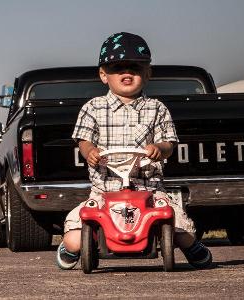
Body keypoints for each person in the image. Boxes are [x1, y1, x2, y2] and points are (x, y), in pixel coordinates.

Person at [56, 32, 212, 270]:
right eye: (118, 68)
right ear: (103, 75)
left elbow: (168, 143)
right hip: (105, 191)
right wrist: (90, 151)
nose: (126, 73)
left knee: (182, 231)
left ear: (147, 74)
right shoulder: (93, 108)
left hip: (148, 190)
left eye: (135, 68)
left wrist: (159, 149)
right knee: (75, 239)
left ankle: (193, 247)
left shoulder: (156, 108)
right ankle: (73, 246)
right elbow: (83, 140)